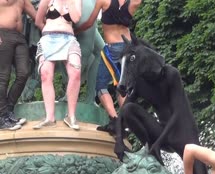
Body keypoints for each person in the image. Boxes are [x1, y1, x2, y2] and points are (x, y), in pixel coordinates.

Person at [74, 0, 142, 134]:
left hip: (113, 50)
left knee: (100, 85)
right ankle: (126, 122)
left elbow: (89, 23)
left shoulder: (103, 2)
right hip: (130, 48)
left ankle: (115, 120)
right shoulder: (134, 3)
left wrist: (75, 31)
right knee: (122, 87)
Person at [32, 0, 82, 130]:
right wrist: (49, 31)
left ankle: (71, 116)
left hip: (68, 39)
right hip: (48, 38)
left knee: (76, 72)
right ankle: (50, 117)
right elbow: (38, 20)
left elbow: (76, 18)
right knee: (45, 74)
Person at [0, 0, 37, 130]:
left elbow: (37, 17)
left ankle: (8, 111)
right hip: (2, 34)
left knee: (24, 73)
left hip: (19, 38)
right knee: (3, 77)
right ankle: (2, 117)